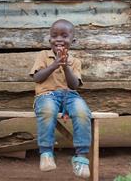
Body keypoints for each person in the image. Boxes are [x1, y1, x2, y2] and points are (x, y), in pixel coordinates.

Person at [29, 19, 92, 178]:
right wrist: (54, 65)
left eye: (64, 36)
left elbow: (74, 85)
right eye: (54, 35)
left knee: (82, 111)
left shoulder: (75, 61)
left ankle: (81, 157)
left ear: (73, 40)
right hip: (46, 95)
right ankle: (46, 154)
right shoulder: (43, 55)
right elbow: (37, 78)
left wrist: (65, 66)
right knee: (48, 110)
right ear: (49, 39)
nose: (59, 39)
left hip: (69, 95)